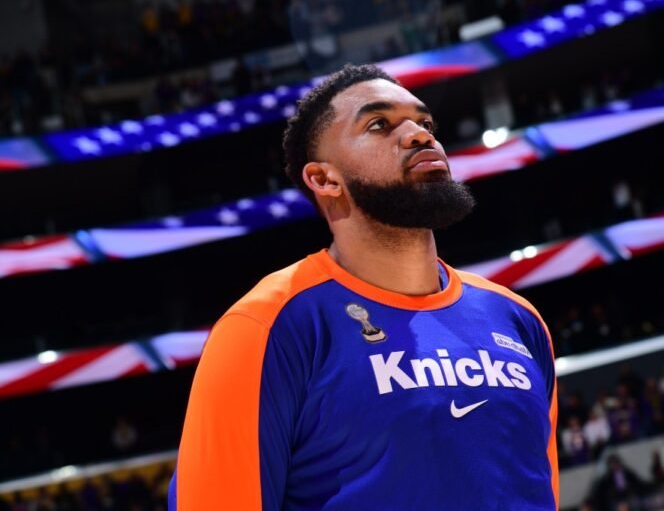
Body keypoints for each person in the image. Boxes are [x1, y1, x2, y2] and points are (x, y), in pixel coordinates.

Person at [169, 64, 559, 510]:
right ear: (324, 179)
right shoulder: (267, 326)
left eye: (425, 123)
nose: (418, 135)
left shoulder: (517, 318)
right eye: (379, 125)